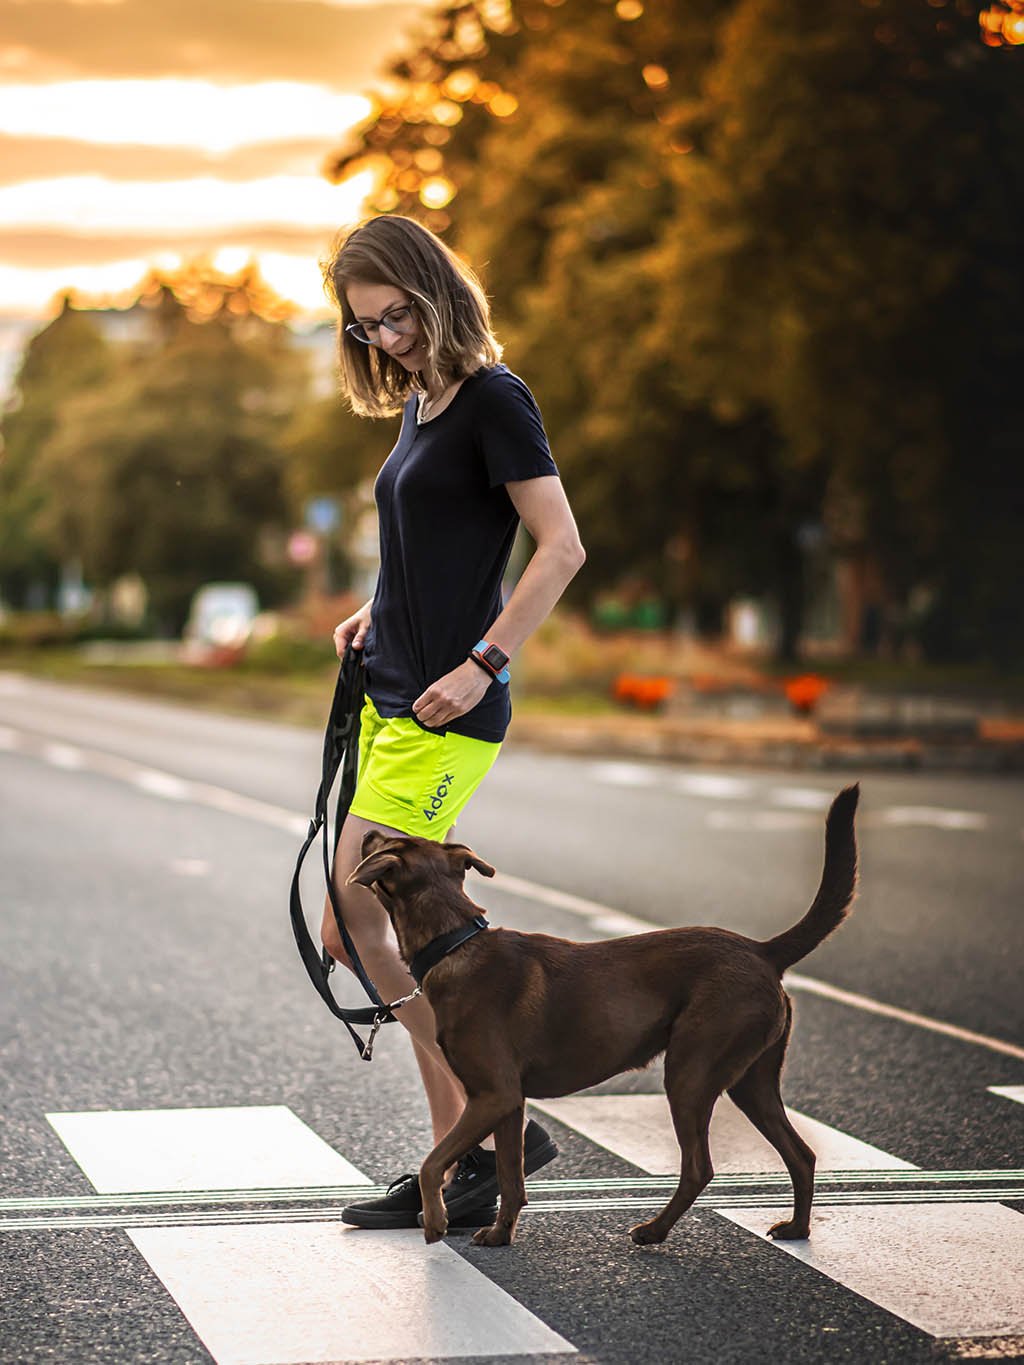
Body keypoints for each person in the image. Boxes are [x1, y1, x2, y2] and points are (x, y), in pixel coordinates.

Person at [319, 214, 585, 1229]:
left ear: (434, 292)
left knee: (357, 915)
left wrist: (484, 664)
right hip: (392, 697)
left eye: (397, 316)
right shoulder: (422, 406)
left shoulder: (493, 399)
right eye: (366, 328)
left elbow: (558, 549)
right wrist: (373, 613)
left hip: (447, 710)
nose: (387, 340)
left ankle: (483, 1131)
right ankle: (474, 1151)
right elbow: (426, 547)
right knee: (362, 932)